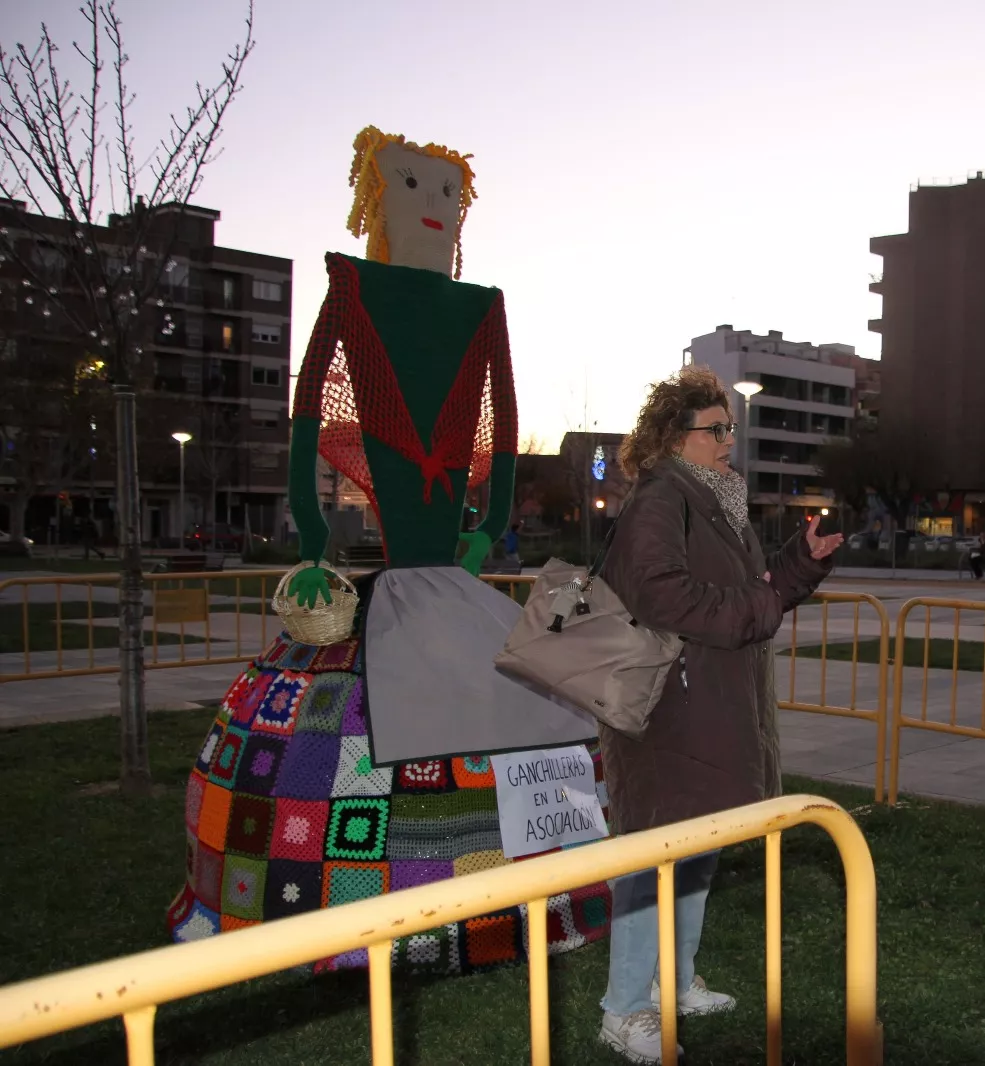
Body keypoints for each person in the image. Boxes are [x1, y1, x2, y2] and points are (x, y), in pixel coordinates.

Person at [166, 125, 605, 973]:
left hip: (451, 562)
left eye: (448, 192)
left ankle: (534, 879)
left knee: (535, 701)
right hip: (401, 571)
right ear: (375, 199)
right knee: (350, 725)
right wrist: (308, 517)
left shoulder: (482, 307)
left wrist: (489, 524)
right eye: (410, 186)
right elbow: (307, 413)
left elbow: (505, 432)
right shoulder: (351, 286)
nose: (434, 207)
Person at [596, 366, 842, 1064]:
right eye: (716, 428)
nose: (729, 439)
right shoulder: (661, 499)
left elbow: (750, 593)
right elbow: (665, 595)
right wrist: (756, 609)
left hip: (706, 703)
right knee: (651, 857)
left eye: (731, 426)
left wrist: (801, 564)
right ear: (677, 436)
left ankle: (674, 982)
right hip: (665, 713)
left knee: (695, 851)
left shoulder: (713, 502)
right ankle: (625, 1008)